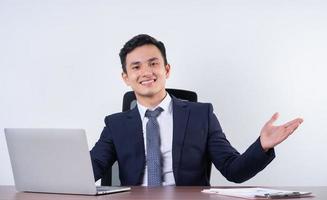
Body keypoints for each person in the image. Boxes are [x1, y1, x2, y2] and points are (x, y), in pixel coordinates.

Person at [90, 34, 303, 186]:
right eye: (136, 67)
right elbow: (91, 169)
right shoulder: (115, 124)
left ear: (166, 69)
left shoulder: (202, 115)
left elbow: (233, 170)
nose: (146, 72)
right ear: (126, 78)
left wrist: (262, 146)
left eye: (153, 63)